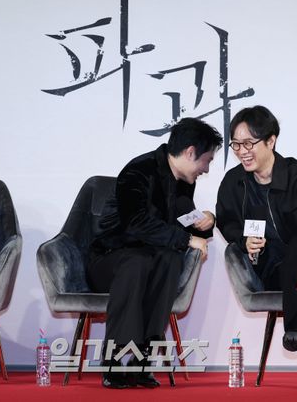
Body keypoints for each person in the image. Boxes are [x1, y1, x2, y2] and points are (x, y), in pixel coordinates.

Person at [216, 105, 297, 391]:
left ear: (271, 141)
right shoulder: (234, 183)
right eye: (236, 144)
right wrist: (242, 239)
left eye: (249, 143)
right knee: (293, 258)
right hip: (277, 269)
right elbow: (226, 221)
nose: (241, 152)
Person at [87, 117, 223, 389]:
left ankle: (142, 360)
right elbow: (136, 223)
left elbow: (182, 219)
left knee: (170, 259)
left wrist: (207, 221)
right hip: (109, 258)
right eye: (206, 161)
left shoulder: (184, 180)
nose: (206, 169)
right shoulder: (138, 171)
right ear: (190, 152)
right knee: (138, 262)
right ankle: (115, 359)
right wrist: (187, 239)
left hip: (149, 259)